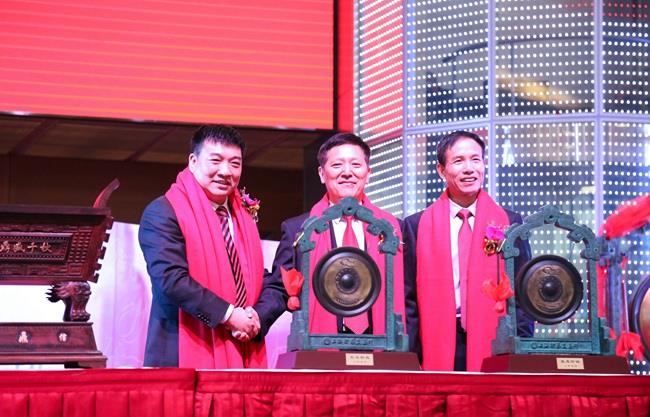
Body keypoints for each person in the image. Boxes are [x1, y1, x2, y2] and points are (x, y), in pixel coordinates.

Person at [403, 130, 534, 371]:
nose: (469, 169)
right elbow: (408, 299)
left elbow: (524, 293)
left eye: (475, 159)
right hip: (436, 341)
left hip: (496, 341)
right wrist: (410, 356)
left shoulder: (510, 223)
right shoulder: (416, 226)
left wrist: (522, 347)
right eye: (458, 161)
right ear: (441, 170)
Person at [253, 132, 405, 337]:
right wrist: (255, 321)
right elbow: (280, 288)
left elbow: (408, 295)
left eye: (356, 165)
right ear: (322, 174)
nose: (347, 172)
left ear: (368, 173)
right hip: (320, 344)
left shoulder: (393, 229)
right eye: (337, 165)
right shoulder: (298, 229)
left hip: (382, 343)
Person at [139, 125, 265, 368]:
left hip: (242, 346)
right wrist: (230, 316)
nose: (225, 171)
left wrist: (254, 318)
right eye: (215, 161)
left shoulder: (242, 216)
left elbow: (256, 276)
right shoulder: (164, 211)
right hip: (181, 351)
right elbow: (170, 279)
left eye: (235, 163)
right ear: (193, 162)